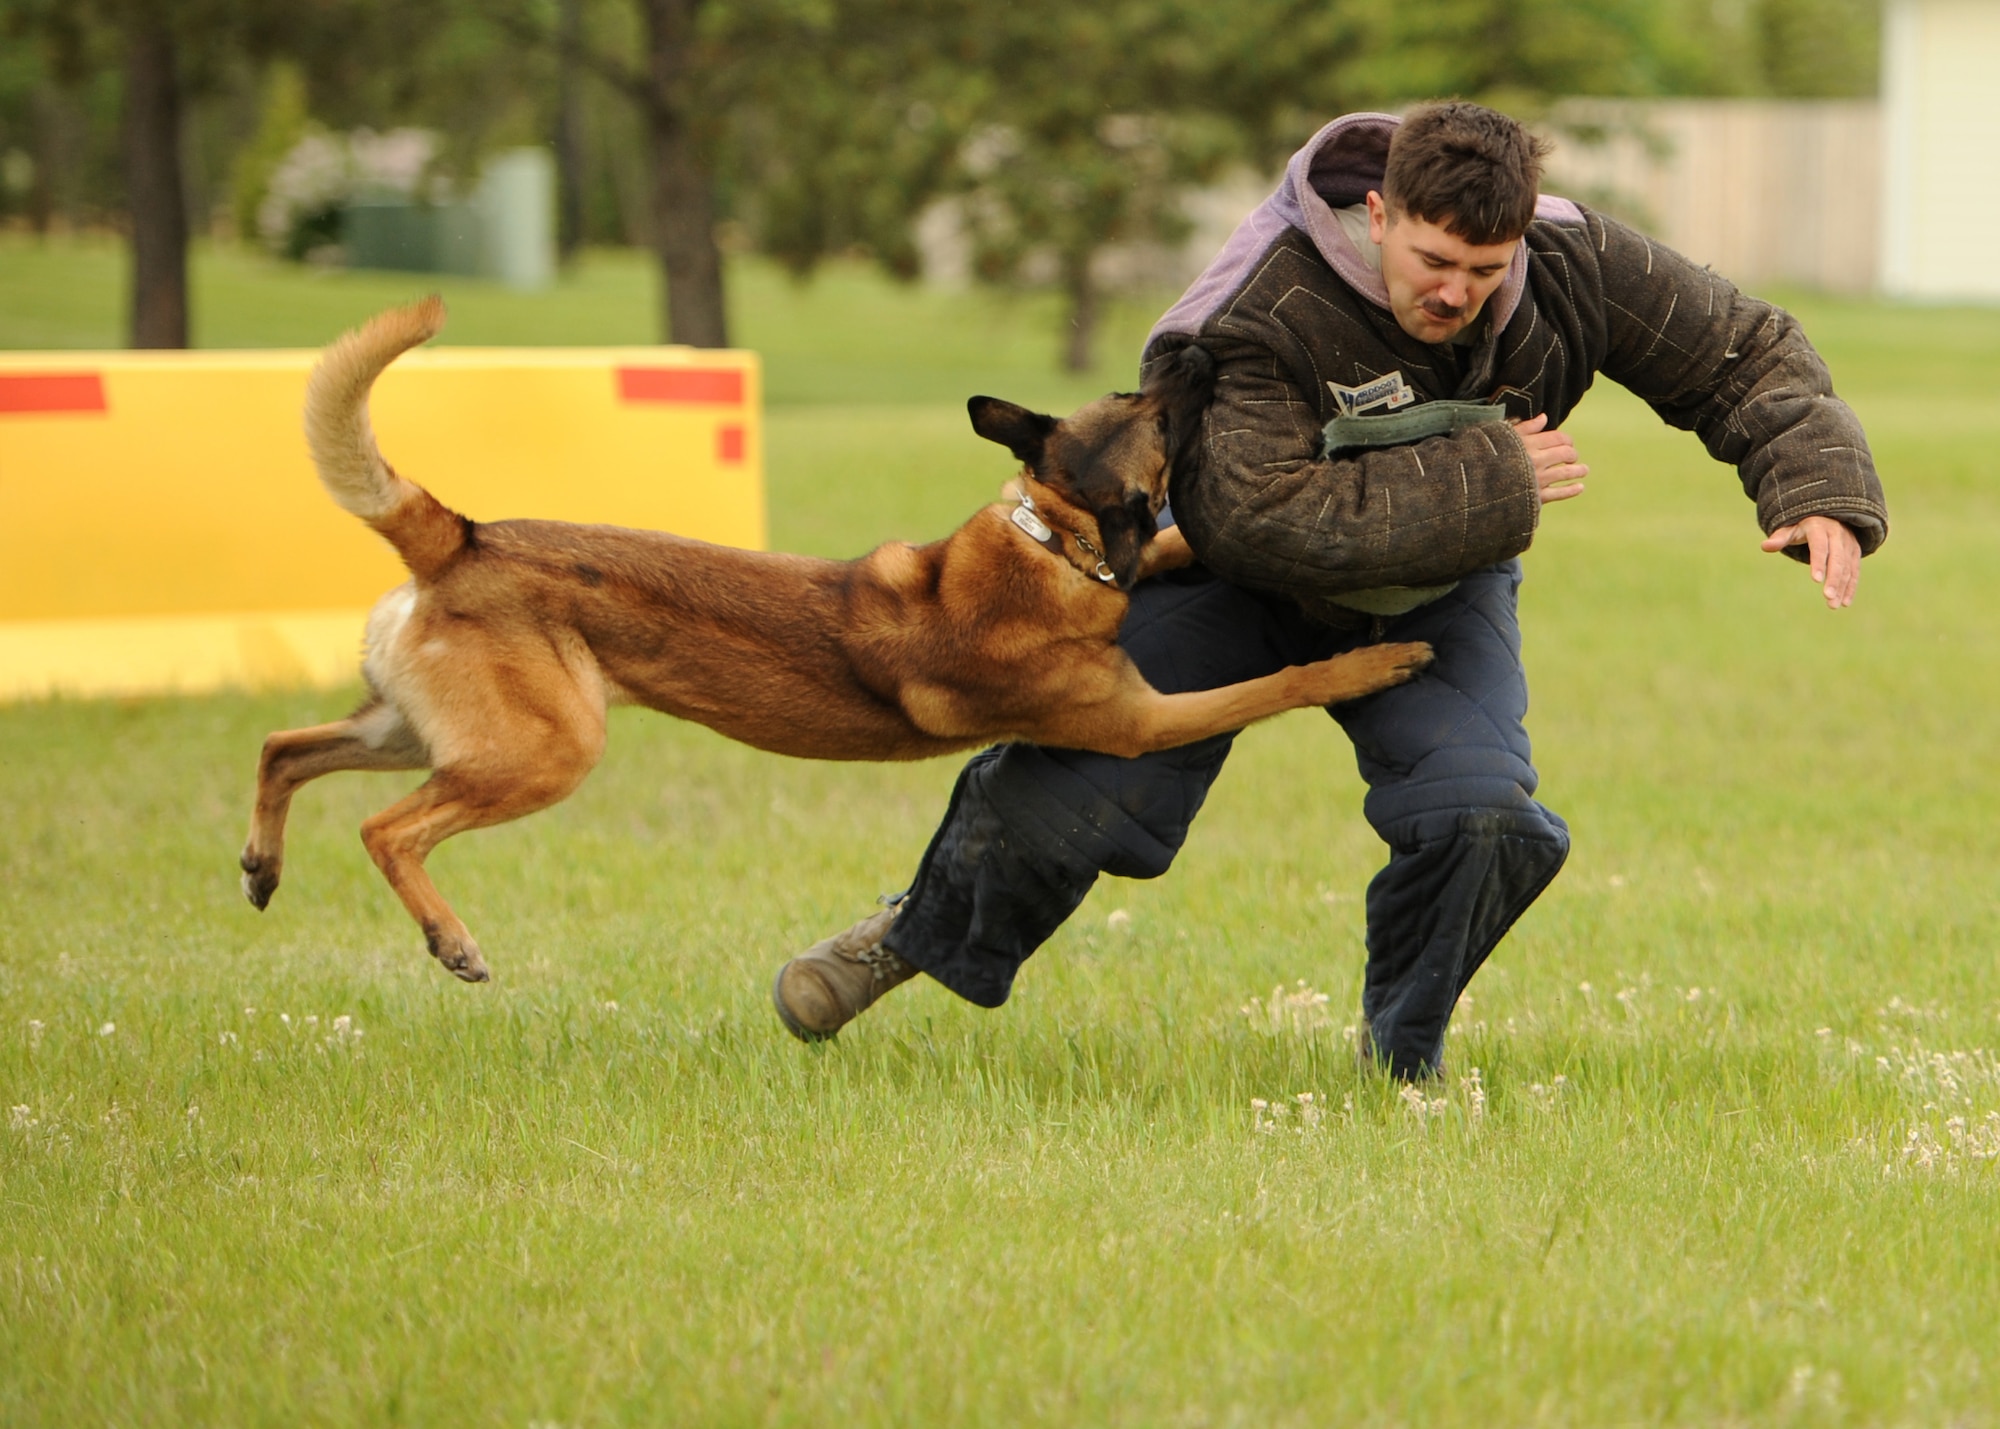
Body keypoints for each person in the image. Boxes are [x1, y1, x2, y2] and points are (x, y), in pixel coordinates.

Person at [769, 101, 1888, 1078]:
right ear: (1380, 215)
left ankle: (1399, 1058)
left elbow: (1741, 353)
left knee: (1479, 816)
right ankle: (912, 937)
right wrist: (1487, 474)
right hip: (1231, 576)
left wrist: (1816, 487)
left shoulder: (1567, 259)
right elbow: (1254, 515)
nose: (1455, 293)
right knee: (1075, 799)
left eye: (1483, 271)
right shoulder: (1257, 307)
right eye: (1432, 263)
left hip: (1431, 591)